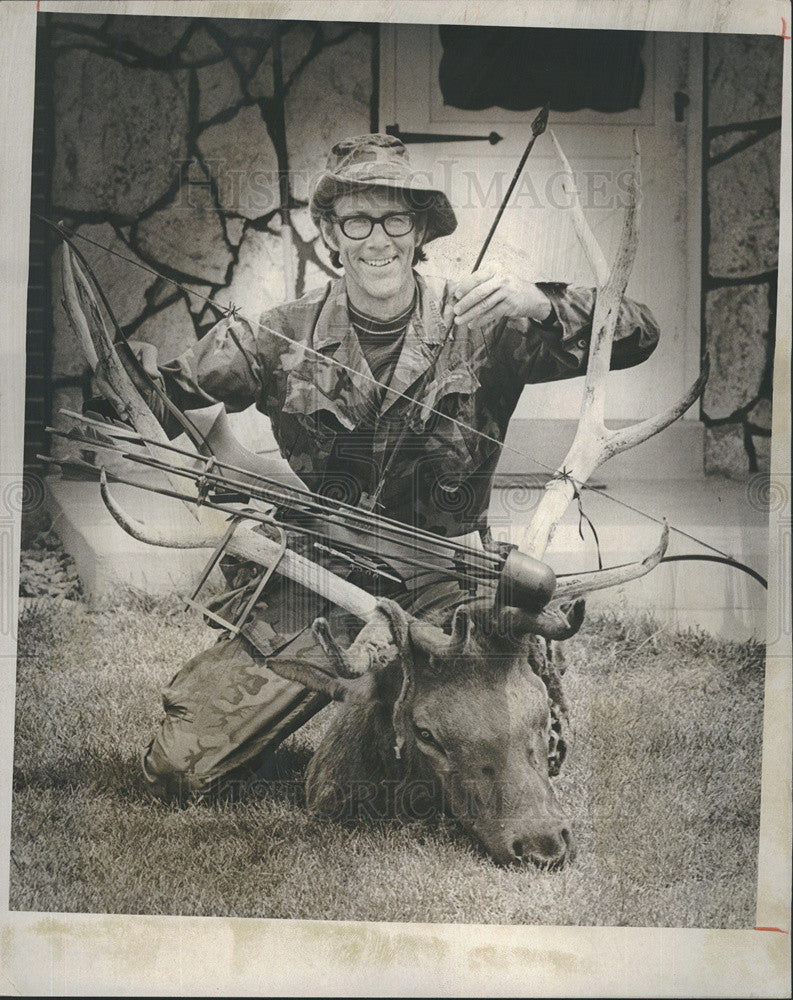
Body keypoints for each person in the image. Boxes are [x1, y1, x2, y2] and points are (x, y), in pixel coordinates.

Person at [115, 133, 659, 802]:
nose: (378, 239)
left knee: (489, 774)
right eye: (356, 219)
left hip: (450, 587)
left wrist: (536, 302)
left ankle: (443, 695)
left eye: (396, 218)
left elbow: (637, 333)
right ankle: (382, 700)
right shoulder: (279, 331)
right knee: (177, 769)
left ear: (420, 228)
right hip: (321, 582)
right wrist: (228, 456)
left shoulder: (488, 322)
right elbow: (175, 390)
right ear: (330, 231)